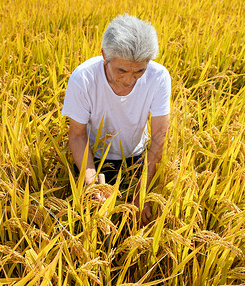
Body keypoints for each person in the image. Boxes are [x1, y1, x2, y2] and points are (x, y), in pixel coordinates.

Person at [61, 14, 171, 226]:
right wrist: (91, 181)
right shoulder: (83, 78)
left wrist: (142, 190)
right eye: (121, 70)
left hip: (138, 158)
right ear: (104, 56)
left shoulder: (158, 77)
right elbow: (76, 135)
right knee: (90, 220)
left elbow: (159, 135)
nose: (129, 80)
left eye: (139, 71)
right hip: (93, 158)